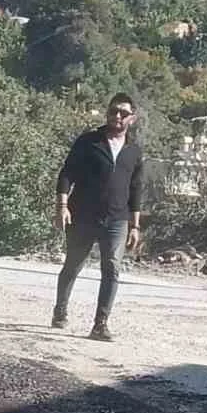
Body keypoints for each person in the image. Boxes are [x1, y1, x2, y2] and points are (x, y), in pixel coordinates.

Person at [52, 92, 146, 343]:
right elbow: (66, 173)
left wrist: (135, 225)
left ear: (132, 119)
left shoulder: (133, 151)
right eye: (113, 111)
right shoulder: (88, 142)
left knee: (112, 269)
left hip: (117, 220)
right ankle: (60, 309)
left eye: (123, 113)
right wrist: (62, 205)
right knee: (73, 265)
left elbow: (136, 189)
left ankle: (100, 324)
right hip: (83, 215)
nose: (117, 116)